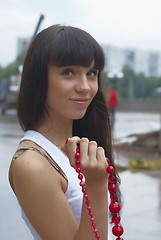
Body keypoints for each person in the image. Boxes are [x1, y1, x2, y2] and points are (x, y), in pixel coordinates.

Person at [8, 24, 122, 240]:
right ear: (39, 79)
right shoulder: (33, 165)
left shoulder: (80, 145)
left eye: (91, 73)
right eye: (69, 72)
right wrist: (96, 186)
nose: (85, 86)